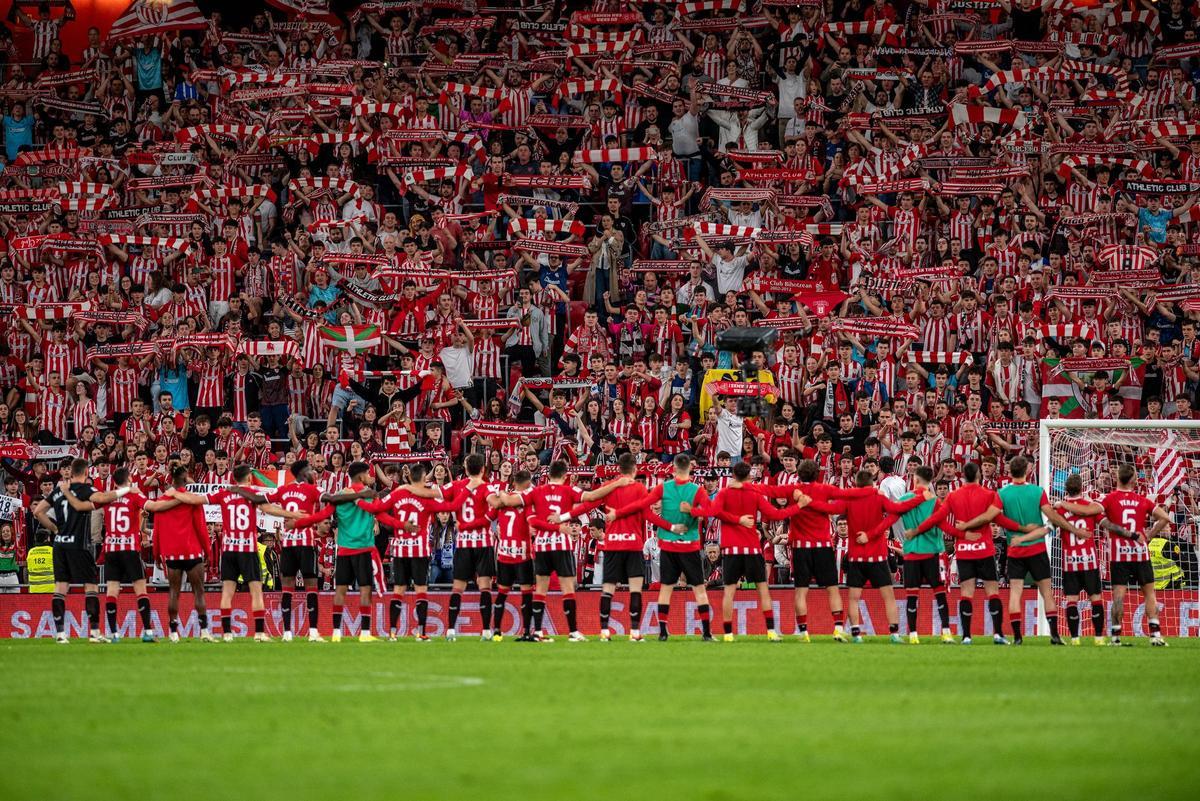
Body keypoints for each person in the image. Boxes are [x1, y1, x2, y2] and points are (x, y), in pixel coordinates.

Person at [157, 464, 301, 642]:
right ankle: (258, 633)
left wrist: (175, 493)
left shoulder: (224, 493)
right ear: (249, 478)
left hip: (229, 551)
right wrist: (292, 515)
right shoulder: (251, 494)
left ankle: (226, 634)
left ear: (233, 478)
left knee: (227, 592)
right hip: (247, 549)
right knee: (256, 591)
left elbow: (195, 500)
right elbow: (269, 509)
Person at [496, 460, 629, 641]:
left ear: (548, 474)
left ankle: (538, 632)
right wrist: (616, 484)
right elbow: (592, 496)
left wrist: (501, 492)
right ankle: (573, 632)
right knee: (568, 589)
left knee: (540, 590)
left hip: (541, 546)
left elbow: (509, 500)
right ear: (565, 476)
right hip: (561, 545)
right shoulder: (569, 490)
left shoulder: (536, 491)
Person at [907, 461, 1034, 645]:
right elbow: (999, 518)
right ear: (978, 475)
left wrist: (917, 530)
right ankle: (998, 634)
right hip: (984, 549)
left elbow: (937, 519)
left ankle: (966, 636)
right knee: (993, 592)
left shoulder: (953, 496)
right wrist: (1021, 528)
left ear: (963, 476)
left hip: (964, 550)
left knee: (966, 593)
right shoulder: (989, 494)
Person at [565, 453, 685, 642]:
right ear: (635, 469)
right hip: (633, 544)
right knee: (635, 590)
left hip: (612, 544)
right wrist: (671, 527)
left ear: (618, 469)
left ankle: (604, 632)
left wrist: (564, 517)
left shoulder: (608, 487)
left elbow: (586, 506)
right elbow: (649, 516)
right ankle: (635, 632)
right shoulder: (639, 488)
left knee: (607, 589)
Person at [607, 454, 715, 641]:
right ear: (690, 468)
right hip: (689, 545)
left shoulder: (662, 488)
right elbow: (712, 511)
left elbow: (642, 506)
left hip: (668, 545)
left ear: (673, 469)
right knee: (699, 588)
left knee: (666, 588)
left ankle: (663, 633)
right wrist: (693, 511)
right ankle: (706, 633)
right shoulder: (697, 490)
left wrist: (618, 513)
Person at [816, 473, 931, 644]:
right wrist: (921, 498)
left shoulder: (850, 499)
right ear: (872, 484)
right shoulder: (878, 498)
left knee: (854, 597)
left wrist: (810, 502)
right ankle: (894, 633)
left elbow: (831, 510)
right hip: (877, 556)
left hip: (856, 557)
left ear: (856, 484)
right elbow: (898, 509)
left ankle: (856, 634)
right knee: (889, 596)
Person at [989, 456, 1088, 646]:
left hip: (1015, 549)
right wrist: (1074, 529)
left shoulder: (1002, 493)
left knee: (1015, 593)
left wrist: (1017, 527)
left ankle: (1017, 637)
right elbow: (1052, 516)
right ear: (1026, 470)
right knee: (1047, 593)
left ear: (1010, 472)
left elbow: (996, 518)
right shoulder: (1038, 491)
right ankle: (1054, 635)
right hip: (1037, 549)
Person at [35, 458, 134, 644]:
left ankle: (60, 634)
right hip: (79, 545)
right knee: (91, 587)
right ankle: (95, 633)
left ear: (71, 472)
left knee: (60, 588)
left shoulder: (58, 491)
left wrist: (56, 530)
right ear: (86, 472)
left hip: (60, 544)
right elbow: (104, 498)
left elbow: (38, 511)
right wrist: (127, 489)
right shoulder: (85, 490)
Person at [700, 461, 801, 642]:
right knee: (763, 590)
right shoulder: (754, 493)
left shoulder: (724, 493)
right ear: (748, 476)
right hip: (752, 550)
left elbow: (712, 512)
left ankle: (728, 634)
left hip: (731, 550)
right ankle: (770, 632)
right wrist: (798, 507)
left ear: (733, 475)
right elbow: (776, 514)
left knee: (729, 592)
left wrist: (735, 519)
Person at [753, 458, 848, 642]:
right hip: (823, 547)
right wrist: (823, 507)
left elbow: (767, 489)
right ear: (817, 474)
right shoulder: (825, 488)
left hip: (800, 548)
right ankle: (837, 628)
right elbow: (843, 502)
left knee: (801, 591)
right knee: (832, 589)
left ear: (799, 474)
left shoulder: (792, 490)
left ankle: (803, 632)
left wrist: (743, 484)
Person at [290, 461, 386, 642]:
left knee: (340, 590)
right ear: (361, 476)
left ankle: (336, 632)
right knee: (365, 589)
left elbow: (322, 515)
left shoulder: (338, 496)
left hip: (343, 550)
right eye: (368, 474)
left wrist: (298, 522)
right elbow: (380, 513)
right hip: (363, 548)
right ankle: (365, 633)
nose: (370, 477)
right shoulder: (369, 495)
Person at [232, 460, 324, 642]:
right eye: (309, 469)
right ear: (303, 473)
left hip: (288, 545)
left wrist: (237, 489)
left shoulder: (283, 490)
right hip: (306, 543)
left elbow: (260, 501)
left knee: (287, 588)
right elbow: (331, 500)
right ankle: (313, 632)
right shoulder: (314, 489)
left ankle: (287, 633)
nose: (312, 472)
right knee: (311, 587)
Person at [369, 463, 459, 641]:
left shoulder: (398, 493)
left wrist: (398, 524)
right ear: (425, 478)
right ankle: (421, 633)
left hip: (400, 550)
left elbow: (378, 511)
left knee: (398, 590)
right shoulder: (427, 498)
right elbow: (449, 508)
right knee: (421, 590)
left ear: (409, 477)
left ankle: (393, 633)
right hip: (420, 551)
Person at [1097, 463, 1172, 646]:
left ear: (1117, 478)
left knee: (1119, 597)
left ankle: (1115, 638)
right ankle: (1155, 636)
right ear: (1134, 480)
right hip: (1140, 554)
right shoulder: (1143, 500)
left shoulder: (1109, 499)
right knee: (1149, 594)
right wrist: (1148, 536)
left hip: (1119, 555)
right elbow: (1165, 518)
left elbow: (1099, 518)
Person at [145, 466, 214, 643]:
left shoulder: (162, 500)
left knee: (173, 592)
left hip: (172, 554)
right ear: (186, 479)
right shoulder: (191, 500)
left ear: (171, 480)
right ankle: (204, 631)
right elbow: (201, 527)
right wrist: (208, 550)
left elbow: (157, 530)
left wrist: (157, 553)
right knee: (199, 592)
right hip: (192, 551)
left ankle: (173, 632)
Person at [894, 467, 954, 644]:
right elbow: (943, 525)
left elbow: (892, 514)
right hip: (932, 552)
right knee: (940, 593)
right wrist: (963, 533)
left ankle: (913, 635)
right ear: (931, 480)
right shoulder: (935, 502)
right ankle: (946, 632)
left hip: (912, 552)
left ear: (915, 479)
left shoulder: (904, 500)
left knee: (912, 595)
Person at [1050, 474, 1110, 646]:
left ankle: (1075, 639)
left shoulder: (1060, 510)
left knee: (1071, 601)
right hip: (1089, 561)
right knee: (1096, 599)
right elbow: (1105, 524)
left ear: (1065, 489)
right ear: (1082, 488)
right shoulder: (1090, 507)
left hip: (1070, 563)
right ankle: (1098, 637)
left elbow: (1049, 526)